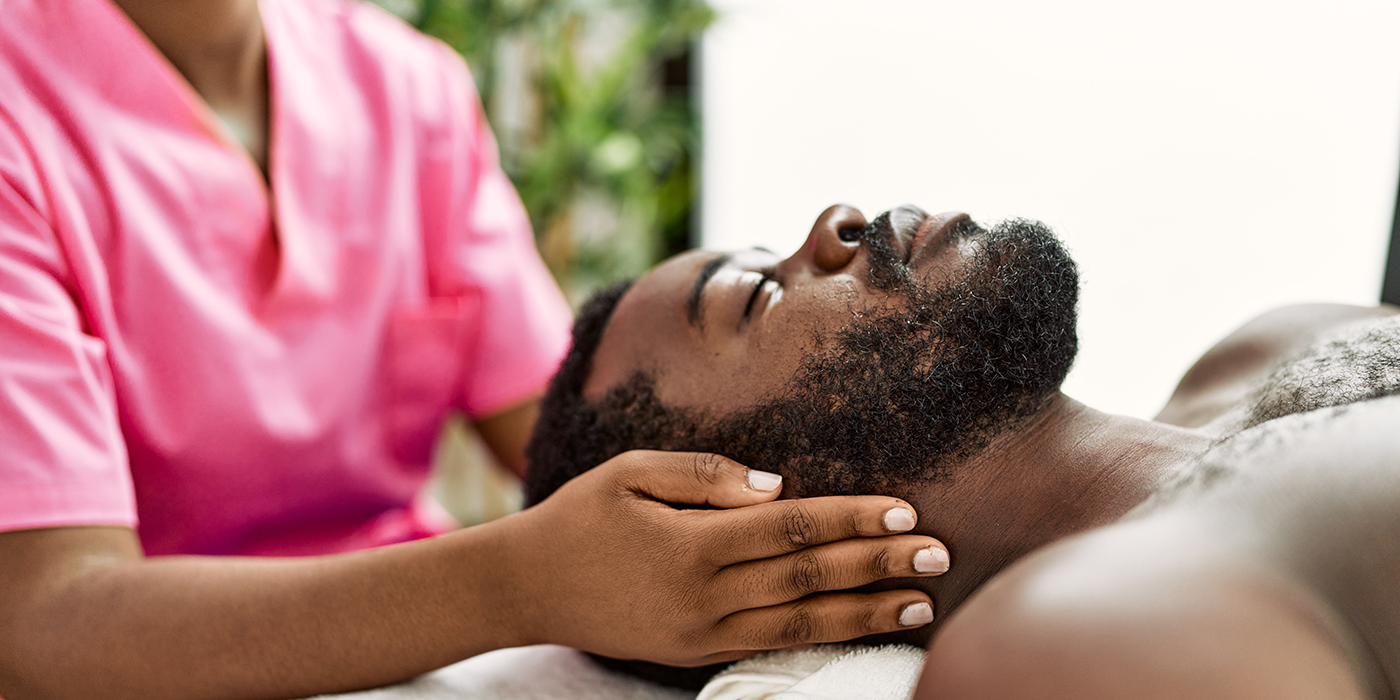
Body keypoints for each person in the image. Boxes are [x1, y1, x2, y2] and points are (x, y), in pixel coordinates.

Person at [0, 2, 954, 698]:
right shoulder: (23, 113)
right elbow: (46, 625)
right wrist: (515, 583)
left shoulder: (405, 88)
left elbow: (580, 422)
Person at [524, 202, 1400, 694]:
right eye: (753, 294)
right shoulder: (1066, 647)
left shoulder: (1274, 342)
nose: (838, 221)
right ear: (727, 526)